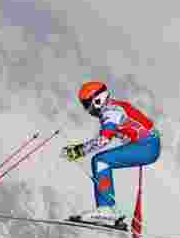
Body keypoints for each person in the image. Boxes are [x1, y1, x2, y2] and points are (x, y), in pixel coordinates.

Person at [62, 81, 160, 227]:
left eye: (87, 104)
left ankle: (105, 210)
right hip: (147, 144)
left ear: (97, 99)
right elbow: (134, 124)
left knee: (101, 161)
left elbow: (103, 140)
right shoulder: (113, 107)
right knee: (101, 160)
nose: (87, 109)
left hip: (147, 146)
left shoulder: (110, 112)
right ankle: (106, 208)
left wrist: (78, 151)